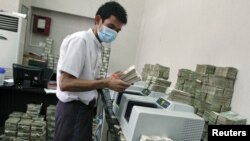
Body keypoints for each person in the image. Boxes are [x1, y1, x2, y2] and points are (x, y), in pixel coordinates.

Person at [54, 1, 130, 141]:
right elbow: (65, 83)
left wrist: (110, 77)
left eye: (117, 31)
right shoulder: (81, 41)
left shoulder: (96, 45)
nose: (113, 33)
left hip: (83, 111)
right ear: (98, 20)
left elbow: (86, 77)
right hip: (73, 110)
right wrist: (106, 83)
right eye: (111, 27)